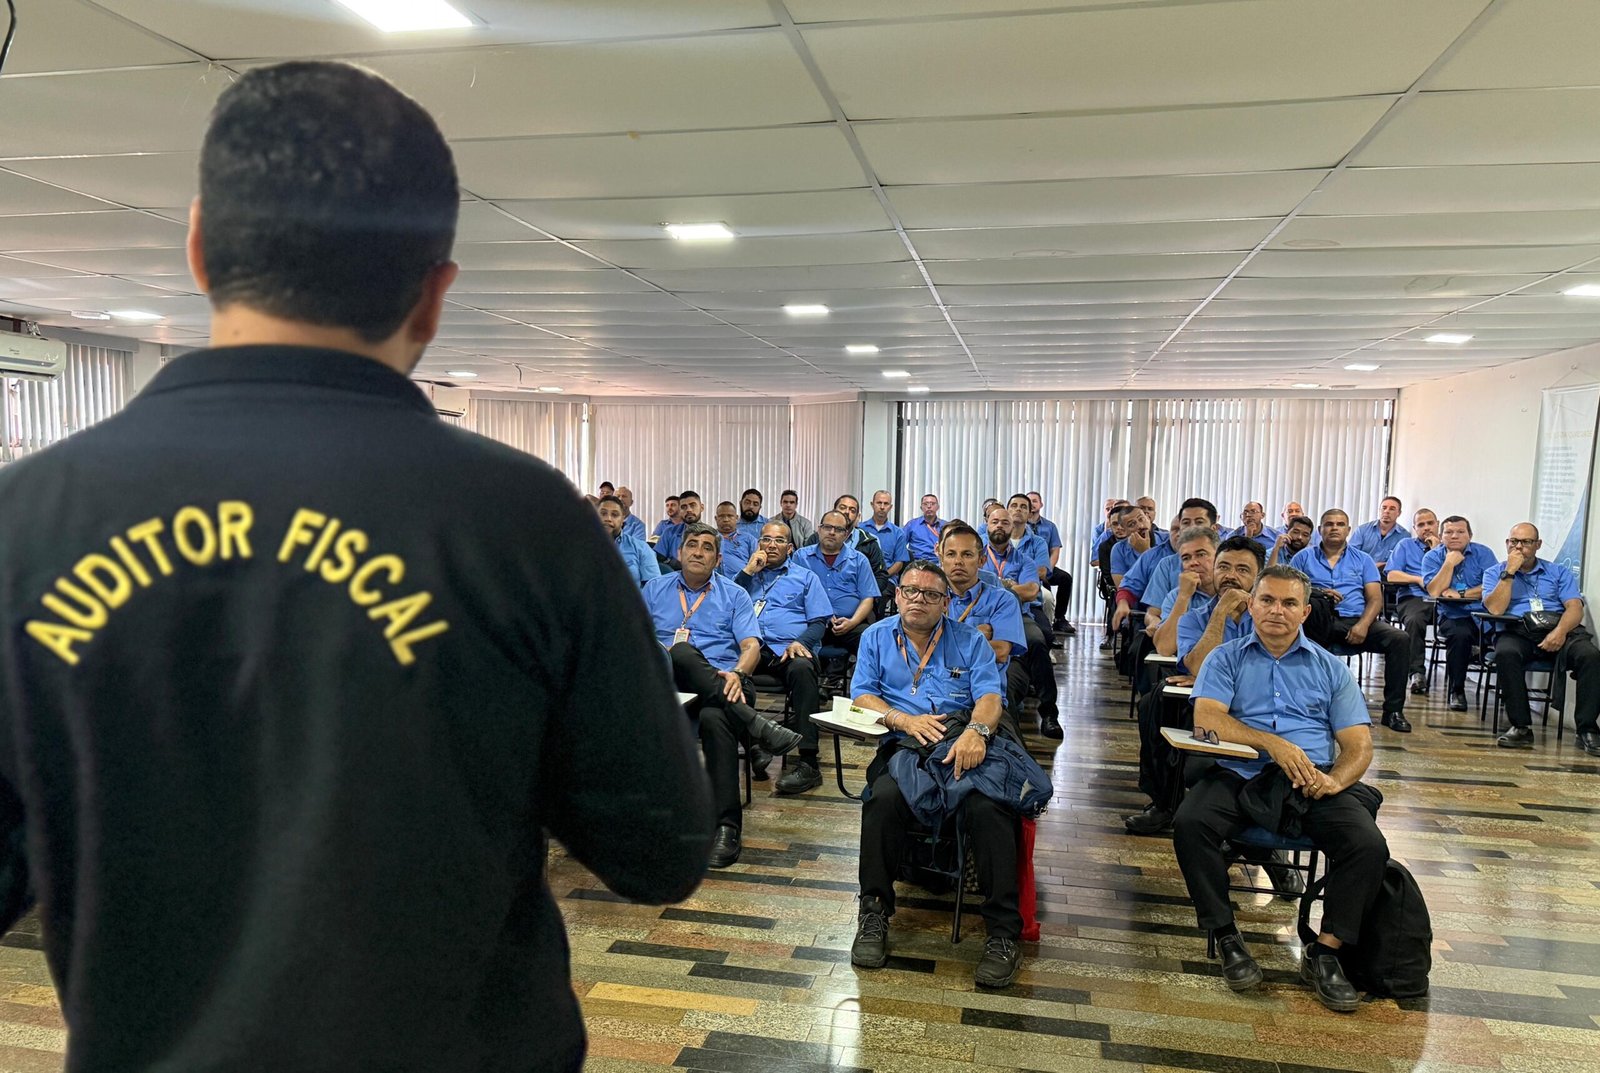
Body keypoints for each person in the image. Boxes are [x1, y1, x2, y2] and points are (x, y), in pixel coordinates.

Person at [0, 61, 715, 1073]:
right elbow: (660, 850)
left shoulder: (24, 520)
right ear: (435, 293)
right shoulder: (521, 519)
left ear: (199, 246)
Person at [1173, 566, 1389, 1013]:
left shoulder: (1330, 668)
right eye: (1267, 600)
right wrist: (1272, 743)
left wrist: (1335, 780)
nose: (1277, 610)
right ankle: (1226, 935)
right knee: (1190, 823)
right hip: (1239, 772)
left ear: (1305, 612)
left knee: (1367, 845)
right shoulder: (1225, 658)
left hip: (1310, 777)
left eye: (1289, 603)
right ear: (1251, 605)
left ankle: (1325, 952)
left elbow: (1358, 745)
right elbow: (1207, 719)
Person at [846, 560, 1025, 989]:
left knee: (989, 808)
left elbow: (989, 697)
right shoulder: (875, 636)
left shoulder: (970, 640)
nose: (918, 600)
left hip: (959, 741)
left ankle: (1003, 933)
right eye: (910, 591)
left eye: (930, 594)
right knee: (883, 799)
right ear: (897, 596)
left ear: (946, 602)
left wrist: (977, 733)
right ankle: (873, 911)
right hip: (903, 744)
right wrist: (903, 720)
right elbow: (861, 695)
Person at [642, 524, 804, 868]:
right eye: (692, 545)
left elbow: (751, 646)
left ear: (718, 559)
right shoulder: (653, 589)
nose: (698, 552)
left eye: (707, 548)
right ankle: (755, 724)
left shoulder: (734, 594)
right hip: (667, 689)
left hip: (728, 683)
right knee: (680, 653)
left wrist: (739, 673)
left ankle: (726, 827)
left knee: (715, 717)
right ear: (680, 552)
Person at [733, 521, 833, 795]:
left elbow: (819, 622)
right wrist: (747, 572)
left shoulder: (805, 577)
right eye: (766, 539)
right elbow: (725, 605)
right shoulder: (746, 576)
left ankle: (809, 763)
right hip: (752, 648)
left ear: (789, 548)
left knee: (803, 670)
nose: (771, 545)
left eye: (778, 541)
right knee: (729, 675)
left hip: (789, 650)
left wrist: (801, 642)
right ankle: (754, 746)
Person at [1482, 523, 1600, 756]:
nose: (1519, 547)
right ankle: (1521, 726)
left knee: (1590, 655)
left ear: (1538, 545)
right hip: (1517, 631)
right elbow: (1495, 609)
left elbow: (1574, 607)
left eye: (1526, 542)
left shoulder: (1558, 572)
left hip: (1558, 629)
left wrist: (1560, 632)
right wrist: (1510, 573)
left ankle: (1587, 729)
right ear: (1507, 544)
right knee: (1505, 653)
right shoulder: (1494, 573)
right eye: (1514, 541)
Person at [1291, 509, 1413, 733]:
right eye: (1329, 524)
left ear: (1348, 530)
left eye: (1340, 524)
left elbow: (1375, 599)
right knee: (1304, 631)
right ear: (1320, 530)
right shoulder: (1303, 558)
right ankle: (1311, 705)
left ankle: (1393, 711)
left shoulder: (1363, 560)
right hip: (1317, 621)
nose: (1334, 528)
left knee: (1400, 638)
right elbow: (1290, 592)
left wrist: (1363, 625)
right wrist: (1318, 592)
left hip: (1357, 619)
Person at [938, 523, 1032, 740]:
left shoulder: (1002, 600)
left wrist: (943, 642)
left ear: (981, 561)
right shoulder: (930, 598)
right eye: (951, 554)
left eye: (967, 554)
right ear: (941, 559)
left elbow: (1000, 652)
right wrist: (977, 636)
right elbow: (918, 646)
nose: (958, 561)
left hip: (984, 696)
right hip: (936, 696)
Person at [981, 504, 1060, 736]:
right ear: (987, 525)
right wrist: (1008, 585)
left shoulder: (1024, 560)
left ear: (1011, 527)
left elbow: (1031, 591)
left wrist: (993, 586)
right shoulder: (977, 556)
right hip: (982, 615)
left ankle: (1049, 713)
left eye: (1005, 522)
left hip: (1017, 615)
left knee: (1037, 643)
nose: (1000, 526)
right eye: (995, 522)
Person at [1422, 516, 1497, 712]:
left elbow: (1492, 587)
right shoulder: (1432, 557)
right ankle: (1457, 690)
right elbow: (1435, 591)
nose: (1454, 536)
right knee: (1460, 635)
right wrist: (1448, 564)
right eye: (1449, 532)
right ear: (1441, 536)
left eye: (1460, 532)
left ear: (1470, 535)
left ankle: (1507, 692)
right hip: (1453, 615)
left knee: (1508, 637)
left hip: (1484, 614)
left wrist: (1461, 593)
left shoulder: (1484, 554)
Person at [793, 510, 879, 656]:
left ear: (846, 535)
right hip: (811, 623)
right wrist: (821, 613)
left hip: (850, 623)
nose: (832, 532)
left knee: (871, 639)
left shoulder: (859, 560)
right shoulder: (801, 557)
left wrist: (853, 622)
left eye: (838, 529)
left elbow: (867, 598)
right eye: (827, 527)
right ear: (819, 530)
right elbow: (793, 595)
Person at [1383, 508, 1441, 695]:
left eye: (1430, 523)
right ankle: (1417, 673)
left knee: (1461, 623)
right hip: (1414, 596)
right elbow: (1392, 575)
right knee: (1415, 620)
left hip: (1444, 598)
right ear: (1415, 528)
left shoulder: (1447, 546)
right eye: (1421, 525)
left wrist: (1436, 551)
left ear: (1438, 524)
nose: (1426, 528)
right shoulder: (1405, 545)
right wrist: (1417, 579)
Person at [1027, 491, 1076, 637]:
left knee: (1065, 578)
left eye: (1035, 501)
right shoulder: (1020, 526)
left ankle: (1060, 618)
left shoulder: (1050, 526)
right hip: (1027, 567)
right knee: (1045, 588)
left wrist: (1049, 568)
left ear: (1041, 504)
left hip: (1046, 565)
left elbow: (1055, 550)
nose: (1032, 504)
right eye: (1029, 501)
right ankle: (1042, 623)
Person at [597, 494, 661, 586]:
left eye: (614, 515)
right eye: (603, 514)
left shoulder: (641, 548)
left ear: (623, 519)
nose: (608, 519)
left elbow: (654, 587)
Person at [866, 489, 911, 590]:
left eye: (886, 504)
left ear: (890, 507)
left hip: (887, 579)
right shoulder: (860, 529)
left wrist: (882, 577)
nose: (882, 507)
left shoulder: (898, 533)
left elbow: (899, 563)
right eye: (879, 503)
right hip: (862, 578)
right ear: (872, 505)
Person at [1350, 495, 1410, 570]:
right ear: (1379, 510)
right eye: (1384, 508)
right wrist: (1370, 566)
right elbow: (1350, 555)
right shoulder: (1362, 530)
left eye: (1392, 509)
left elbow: (1402, 562)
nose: (1386, 511)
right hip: (1360, 572)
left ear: (1399, 513)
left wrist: (1384, 565)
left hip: (1387, 574)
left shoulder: (1404, 536)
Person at [712, 500, 756, 579]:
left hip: (743, 582)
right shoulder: (709, 537)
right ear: (716, 518)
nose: (726, 519)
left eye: (730, 516)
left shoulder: (749, 539)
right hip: (714, 582)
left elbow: (756, 562)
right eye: (721, 516)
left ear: (737, 518)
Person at [657, 490, 704, 561]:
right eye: (684, 507)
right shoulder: (669, 533)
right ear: (680, 510)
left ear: (702, 507)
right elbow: (658, 560)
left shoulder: (714, 535)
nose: (689, 510)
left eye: (692, 505)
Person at [903, 493, 945, 560]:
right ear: (921, 508)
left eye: (932, 504)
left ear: (938, 507)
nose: (929, 506)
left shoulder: (945, 526)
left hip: (938, 562)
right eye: (925, 504)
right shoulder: (911, 525)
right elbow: (899, 545)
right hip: (917, 562)